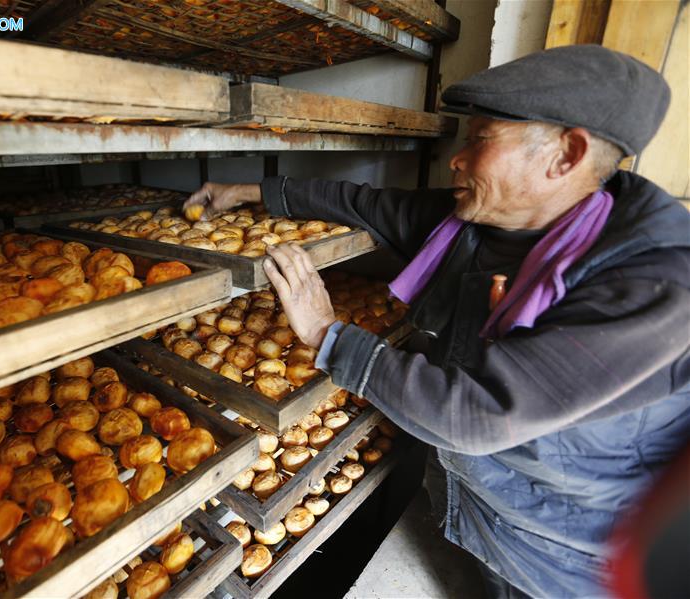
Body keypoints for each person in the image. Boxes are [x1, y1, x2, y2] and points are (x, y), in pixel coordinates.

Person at [184, 45, 690, 598]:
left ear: (565, 155)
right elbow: (365, 204)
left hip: (569, 552)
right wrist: (248, 192)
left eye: (479, 139)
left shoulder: (655, 282)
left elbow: (478, 414)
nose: (456, 158)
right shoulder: (490, 220)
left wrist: (326, 332)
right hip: (477, 507)